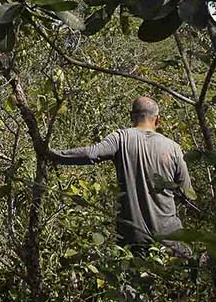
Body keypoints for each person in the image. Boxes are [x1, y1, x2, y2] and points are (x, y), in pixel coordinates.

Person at [45, 95, 193, 252]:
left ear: (131, 117)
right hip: (169, 238)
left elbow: (90, 154)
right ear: (157, 120)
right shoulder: (173, 148)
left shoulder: (121, 138)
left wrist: (52, 155)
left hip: (132, 239)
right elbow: (187, 196)